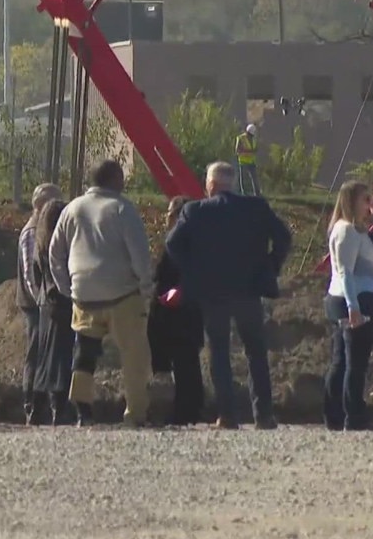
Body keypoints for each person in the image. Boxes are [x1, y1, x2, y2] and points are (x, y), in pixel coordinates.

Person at [165, 161, 291, 430]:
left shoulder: (194, 211)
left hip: (213, 293)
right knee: (256, 351)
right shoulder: (256, 208)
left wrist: (193, 270)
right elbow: (283, 237)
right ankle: (263, 414)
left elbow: (172, 243)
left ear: (210, 185)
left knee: (219, 352)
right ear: (232, 183)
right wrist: (270, 265)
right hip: (249, 290)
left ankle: (228, 415)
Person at [49, 159, 154, 427]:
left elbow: (55, 253)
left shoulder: (72, 208)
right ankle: (135, 413)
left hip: (83, 294)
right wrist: (145, 287)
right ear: (115, 179)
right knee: (133, 355)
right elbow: (139, 253)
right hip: (122, 293)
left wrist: (67, 287)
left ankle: (83, 411)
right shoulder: (121, 208)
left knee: (84, 353)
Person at [323, 180, 373, 431]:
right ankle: (351, 416)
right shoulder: (346, 231)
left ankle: (339, 415)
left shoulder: (359, 230)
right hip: (351, 299)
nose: (370, 204)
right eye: (366, 200)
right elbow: (346, 272)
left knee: (344, 360)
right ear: (352, 201)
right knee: (352, 362)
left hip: (352, 298)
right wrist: (354, 306)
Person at [148, 196, 205, 426]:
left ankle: (186, 410)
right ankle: (188, 408)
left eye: (170, 213)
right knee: (186, 363)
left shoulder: (181, 243)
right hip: (182, 310)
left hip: (179, 312)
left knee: (185, 364)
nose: (166, 217)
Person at [17, 183, 63, 425]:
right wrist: (42, 301)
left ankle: (46, 404)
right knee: (35, 353)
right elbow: (29, 273)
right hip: (35, 305)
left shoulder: (48, 229)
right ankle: (30, 404)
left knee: (47, 353)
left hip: (46, 303)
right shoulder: (32, 232)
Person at [32, 198, 74, 426]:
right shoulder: (62, 246)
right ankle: (60, 408)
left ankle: (37, 408)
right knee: (61, 359)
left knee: (44, 357)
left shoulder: (40, 244)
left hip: (45, 304)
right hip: (62, 302)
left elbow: (36, 274)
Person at [236, 123, 261, 196]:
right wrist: (249, 152)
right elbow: (238, 150)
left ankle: (257, 194)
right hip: (243, 162)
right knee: (243, 180)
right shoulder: (240, 138)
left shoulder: (253, 139)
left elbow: (255, 148)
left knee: (255, 178)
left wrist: (254, 151)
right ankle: (244, 194)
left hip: (252, 161)